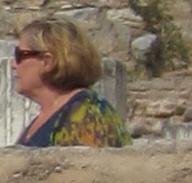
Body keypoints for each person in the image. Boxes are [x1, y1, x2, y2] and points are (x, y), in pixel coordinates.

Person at [12, 15, 130, 148]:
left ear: (47, 61)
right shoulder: (46, 116)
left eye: (19, 55)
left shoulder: (89, 114)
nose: (13, 65)